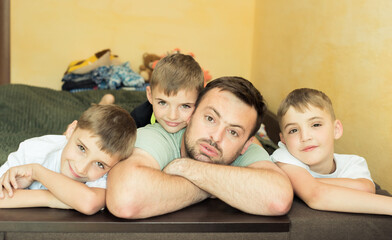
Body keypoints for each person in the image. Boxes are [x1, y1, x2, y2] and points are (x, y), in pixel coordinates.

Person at [106, 76, 293, 219]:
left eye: (233, 132)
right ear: (190, 115)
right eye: (210, 119)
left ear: (246, 145)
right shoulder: (159, 135)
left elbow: (278, 199)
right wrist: (218, 185)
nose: (216, 138)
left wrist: (185, 168)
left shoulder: (246, 149)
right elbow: (125, 199)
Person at [271, 88, 392, 215]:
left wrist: (302, 183)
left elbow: (366, 188)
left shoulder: (353, 162)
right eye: (293, 130)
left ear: (336, 129)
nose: (305, 137)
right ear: (283, 140)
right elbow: (316, 194)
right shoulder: (283, 157)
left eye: (316, 125)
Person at [0, 104, 137, 215]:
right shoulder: (34, 150)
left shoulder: (108, 173)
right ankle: (104, 101)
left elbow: (89, 203)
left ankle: (105, 101)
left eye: (99, 164)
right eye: (82, 148)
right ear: (71, 129)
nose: (81, 168)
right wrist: (55, 198)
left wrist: (36, 172)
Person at [100, 53, 205, 133]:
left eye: (185, 106)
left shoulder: (201, 125)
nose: (172, 116)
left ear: (199, 100)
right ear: (150, 95)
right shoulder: (139, 117)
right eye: (163, 103)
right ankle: (104, 105)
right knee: (109, 127)